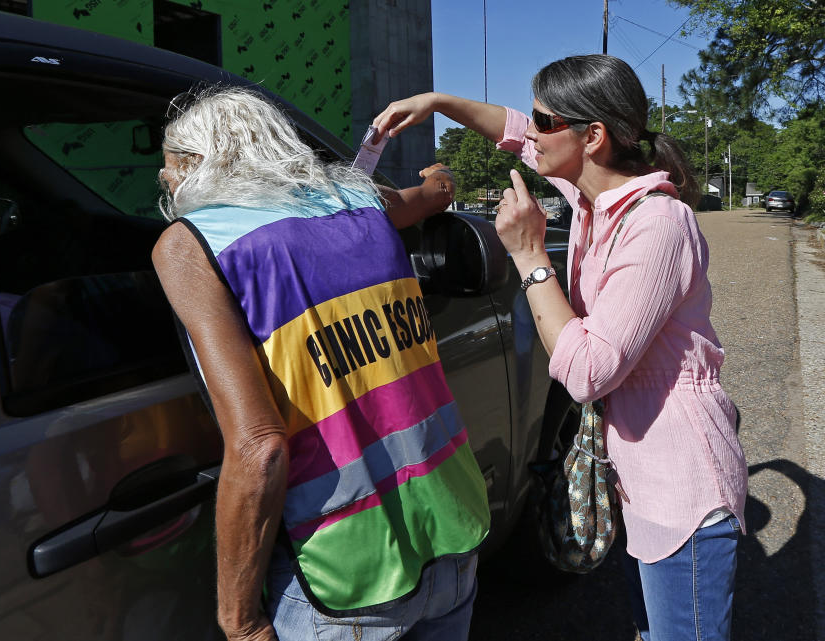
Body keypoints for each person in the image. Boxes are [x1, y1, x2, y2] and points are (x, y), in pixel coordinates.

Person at [374, 54, 748, 641]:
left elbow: (586, 373)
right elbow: (513, 131)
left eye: (548, 121)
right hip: (637, 473)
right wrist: (438, 102)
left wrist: (528, 256)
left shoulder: (658, 225)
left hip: (681, 485)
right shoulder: (590, 199)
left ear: (593, 136)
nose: (532, 132)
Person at [152, 86, 490, 641]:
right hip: (454, 530)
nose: (166, 180)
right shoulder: (360, 199)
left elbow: (259, 448)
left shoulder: (190, 245)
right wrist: (443, 178)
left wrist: (239, 621)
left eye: (171, 165)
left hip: (345, 580)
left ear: (199, 164)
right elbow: (430, 195)